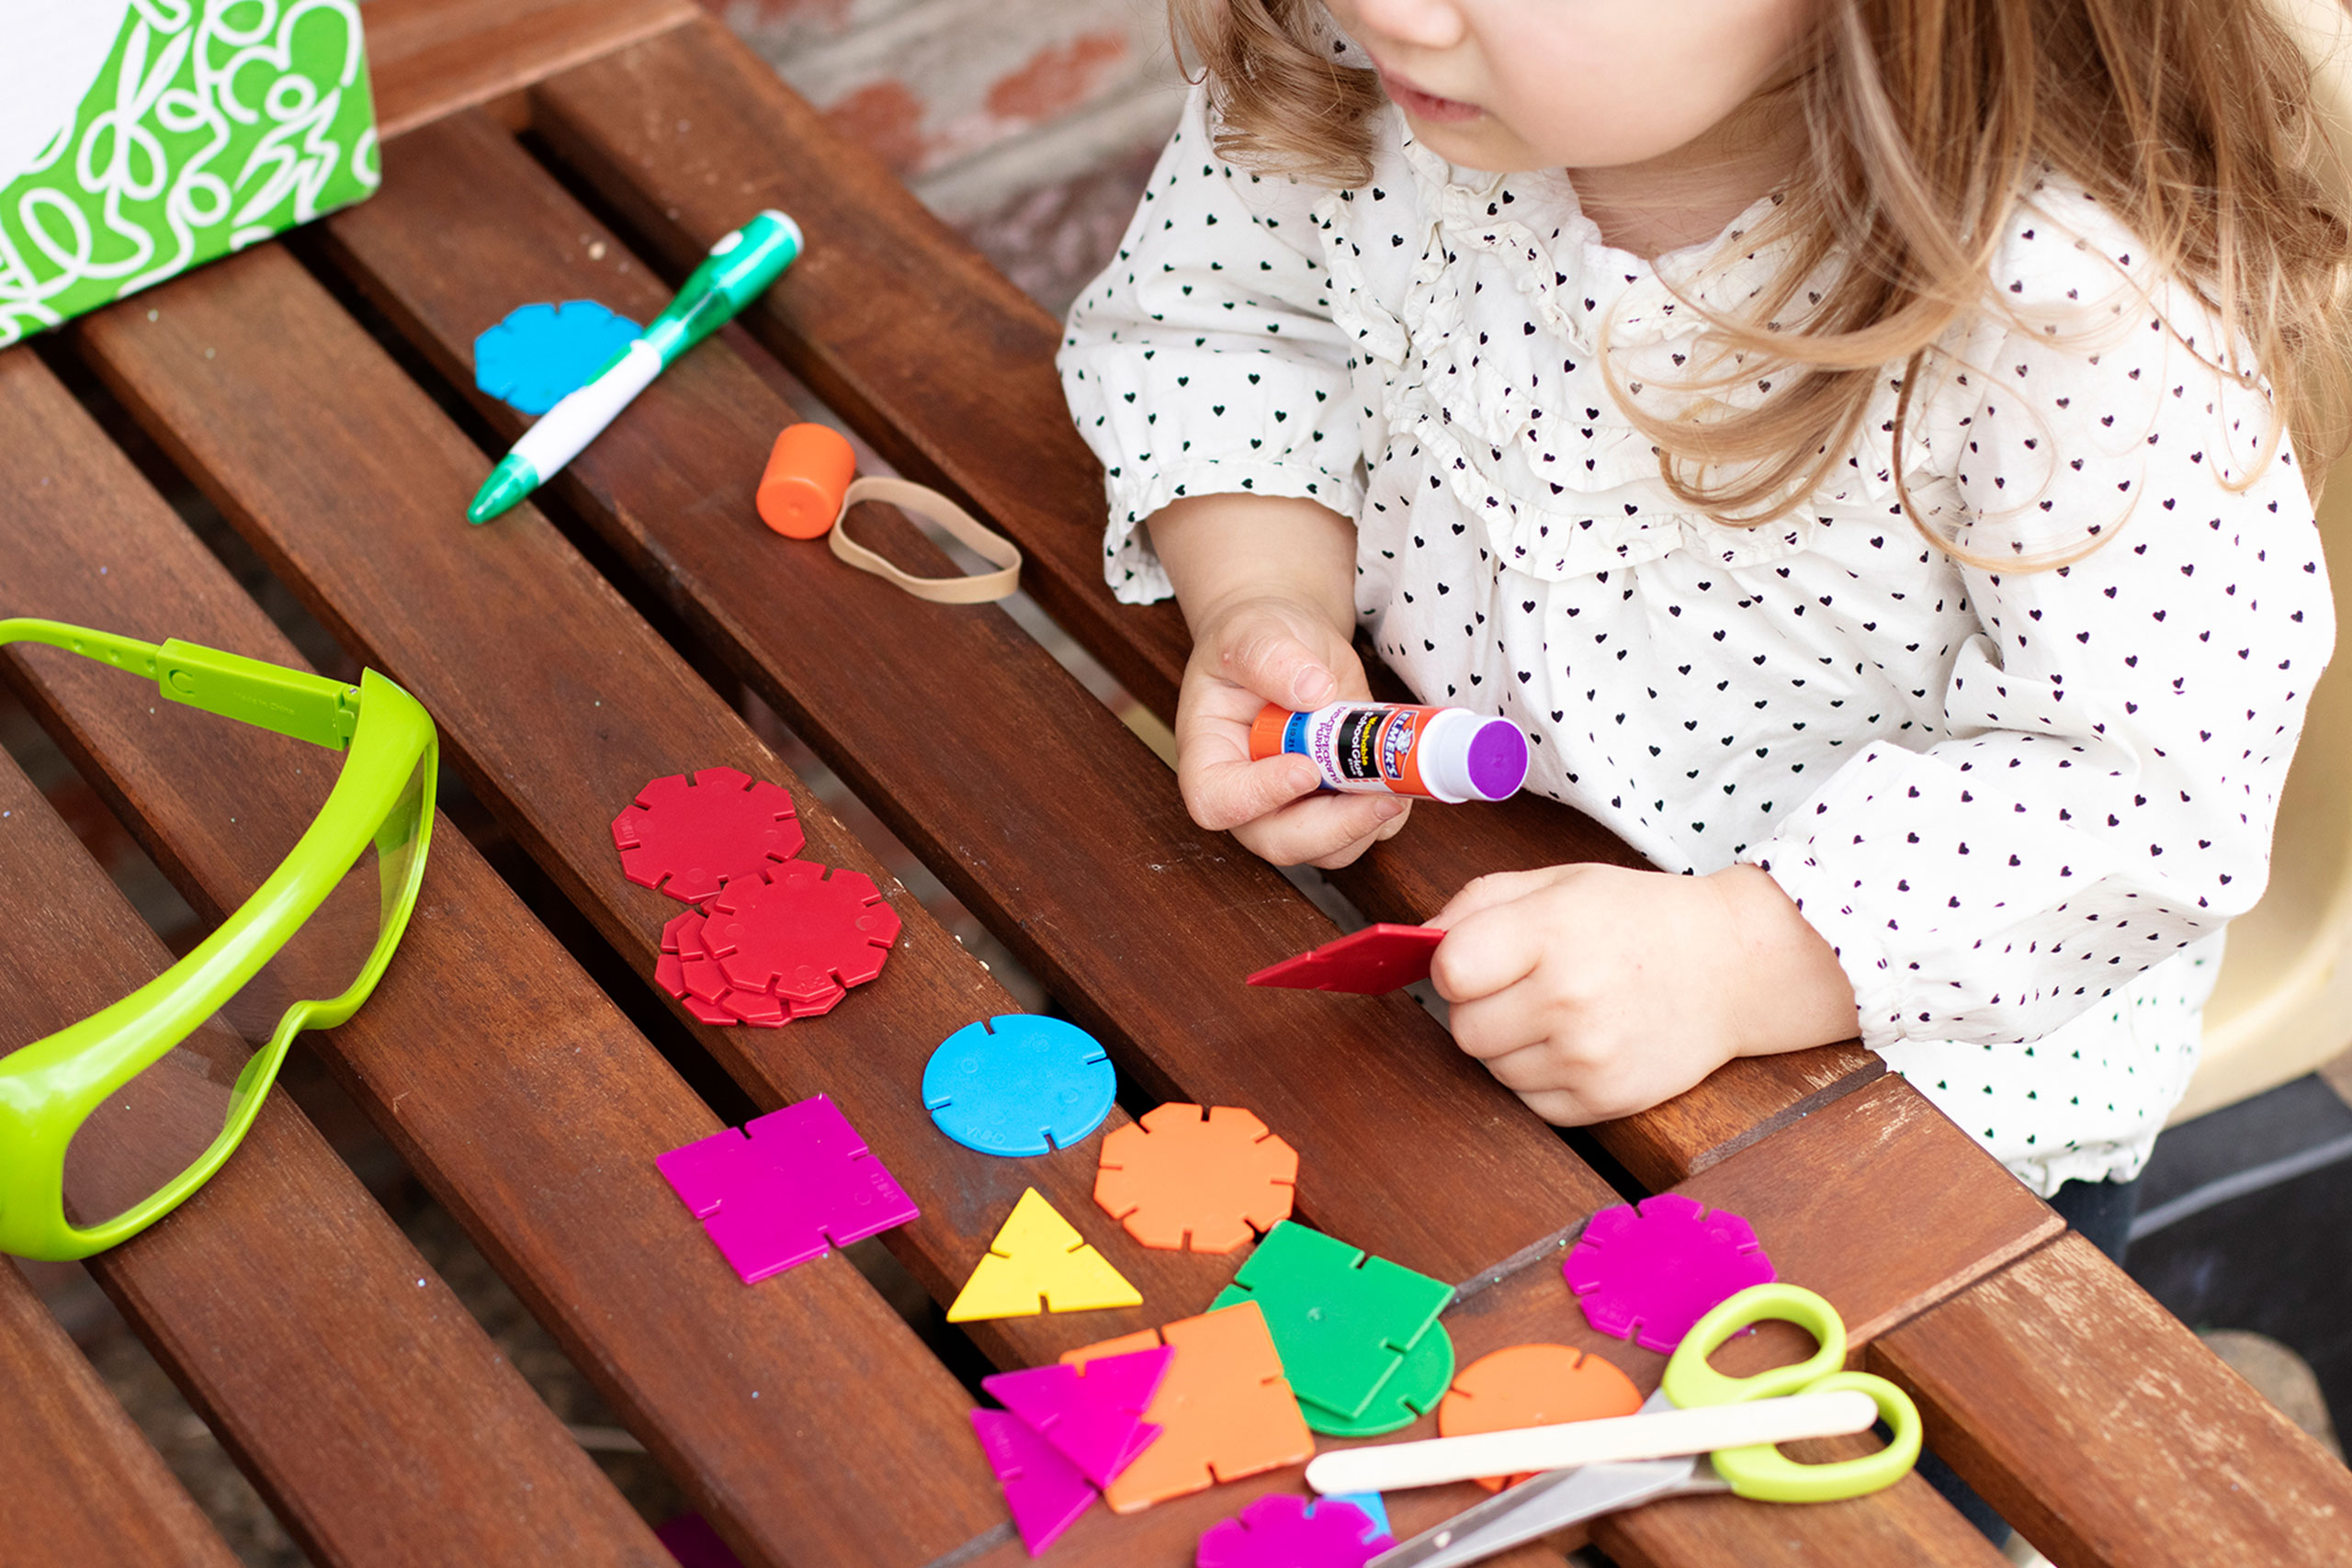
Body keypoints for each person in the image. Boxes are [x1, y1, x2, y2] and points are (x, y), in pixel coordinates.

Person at [1059, 0, 2346, 1258]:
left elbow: (2143, 792)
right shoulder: (1345, 60)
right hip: (1435, 910)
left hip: (1888, 1106)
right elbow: (1218, 326)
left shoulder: (2072, 312)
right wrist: (1266, 595)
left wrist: (1731, 959)